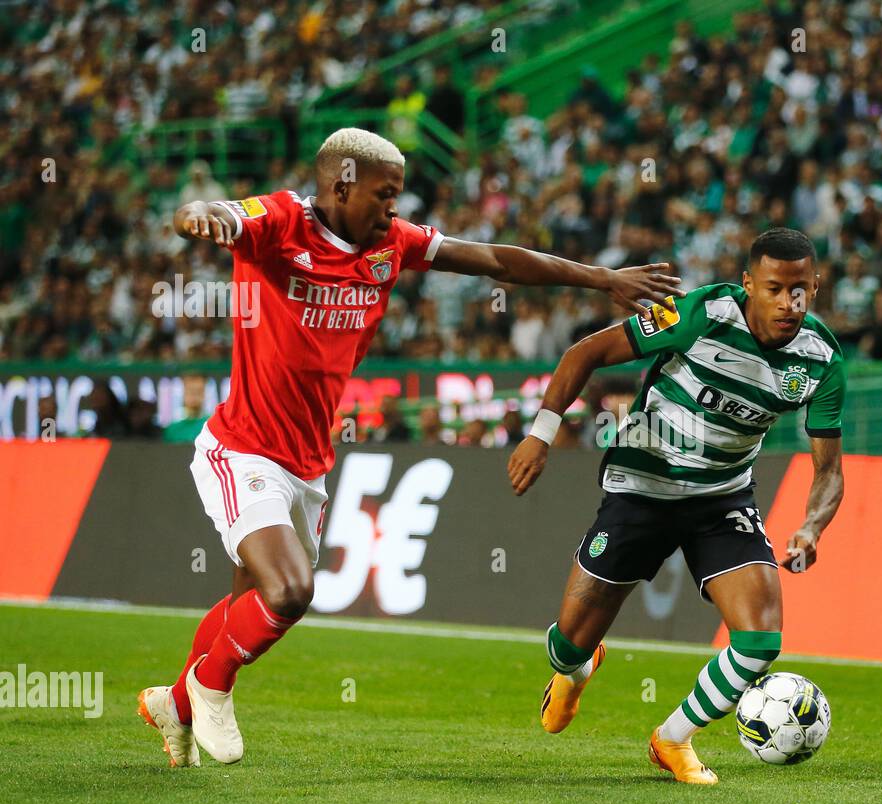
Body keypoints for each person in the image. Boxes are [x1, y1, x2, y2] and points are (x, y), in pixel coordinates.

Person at [137, 127, 681, 768]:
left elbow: (497, 261)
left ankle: (173, 703)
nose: (394, 208)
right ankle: (209, 684)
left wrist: (598, 278)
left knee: (245, 606)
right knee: (289, 591)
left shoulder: (394, 244)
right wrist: (202, 218)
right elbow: (214, 213)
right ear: (341, 182)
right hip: (244, 449)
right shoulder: (281, 221)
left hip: (307, 464)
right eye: (384, 194)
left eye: (398, 196)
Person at [507, 228, 846, 785]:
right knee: (569, 643)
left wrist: (811, 527)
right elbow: (585, 352)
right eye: (776, 289)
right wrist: (541, 434)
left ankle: (671, 740)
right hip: (643, 484)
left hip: (722, 496)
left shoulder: (821, 358)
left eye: (802, 290)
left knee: (760, 640)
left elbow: (829, 470)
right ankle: (578, 667)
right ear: (748, 286)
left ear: (816, 286)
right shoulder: (703, 314)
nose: (790, 303)